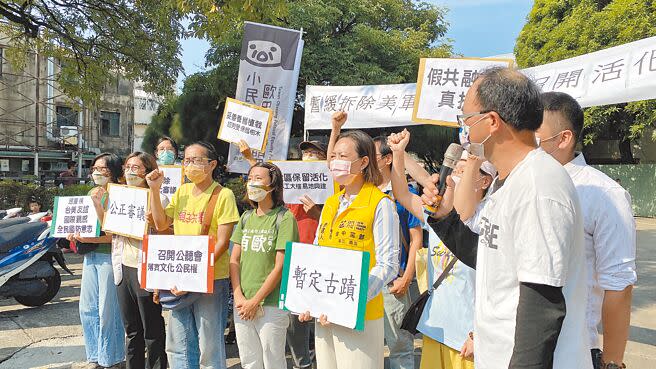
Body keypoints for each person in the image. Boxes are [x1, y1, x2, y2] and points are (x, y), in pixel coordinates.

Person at [399, 67, 592, 369]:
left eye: (466, 118)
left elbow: (542, 302)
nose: (463, 130)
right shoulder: (510, 181)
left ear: (491, 122)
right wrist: (445, 219)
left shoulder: (538, 185)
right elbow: (488, 256)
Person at [536, 91, 636, 369]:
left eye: (534, 135)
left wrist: (612, 362)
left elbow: (619, 283)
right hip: (523, 342)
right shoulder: (522, 184)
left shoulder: (603, 194)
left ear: (564, 138)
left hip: (575, 348)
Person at [300, 127, 400, 369]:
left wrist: (352, 299)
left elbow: (388, 265)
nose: (335, 162)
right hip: (325, 315)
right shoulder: (331, 203)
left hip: (359, 315)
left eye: (343, 156)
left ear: (364, 161)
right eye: (333, 156)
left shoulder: (380, 204)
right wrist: (307, 299)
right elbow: (317, 253)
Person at [388, 135, 485, 369]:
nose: (453, 176)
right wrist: (399, 154)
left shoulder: (487, 221)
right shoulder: (436, 216)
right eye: (455, 169)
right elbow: (402, 193)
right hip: (436, 327)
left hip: (468, 339)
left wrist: (478, 333)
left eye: (464, 170)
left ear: (483, 182)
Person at [149, 141, 239, 369]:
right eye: (186, 160)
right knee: (178, 344)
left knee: (209, 346)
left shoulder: (223, 195)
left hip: (210, 280)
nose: (189, 165)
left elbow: (223, 241)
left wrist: (194, 277)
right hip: (180, 277)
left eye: (196, 160)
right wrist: (154, 189)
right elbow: (161, 224)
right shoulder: (182, 191)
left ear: (212, 164)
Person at [98, 152, 167, 369]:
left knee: (152, 330)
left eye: (136, 168)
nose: (130, 171)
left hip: (145, 268)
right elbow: (109, 229)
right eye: (127, 167)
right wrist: (99, 205)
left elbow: (163, 230)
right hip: (123, 267)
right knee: (132, 329)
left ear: (148, 172)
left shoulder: (157, 198)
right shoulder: (118, 196)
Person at [229, 162, 299, 369]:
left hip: (270, 303)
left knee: (272, 361)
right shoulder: (246, 217)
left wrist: (256, 301)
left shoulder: (284, 218)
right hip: (242, 303)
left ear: (273, 185)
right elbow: (234, 260)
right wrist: (240, 297)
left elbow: (281, 266)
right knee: (249, 361)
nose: (252, 183)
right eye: (250, 178)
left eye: (258, 178)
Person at [68, 153, 125, 369]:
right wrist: (71, 233)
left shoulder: (120, 194)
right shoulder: (92, 192)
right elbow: (82, 223)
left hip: (110, 256)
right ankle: (94, 355)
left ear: (114, 171)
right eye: (95, 169)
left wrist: (93, 238)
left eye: (103, 169)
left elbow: (118, 234)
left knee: (108, 310)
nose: (97, 173)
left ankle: (112, 358)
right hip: (90, 256)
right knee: (87, 308)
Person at [371, 135, 422, 369]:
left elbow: (416, 238)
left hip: (394, 281)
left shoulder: (406, 193)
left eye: (373, 155)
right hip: (367, 279)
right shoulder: (363, 193)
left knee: (400, 348)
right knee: (368, 344)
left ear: (387, 159)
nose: (367, 160)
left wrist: (407, 276)